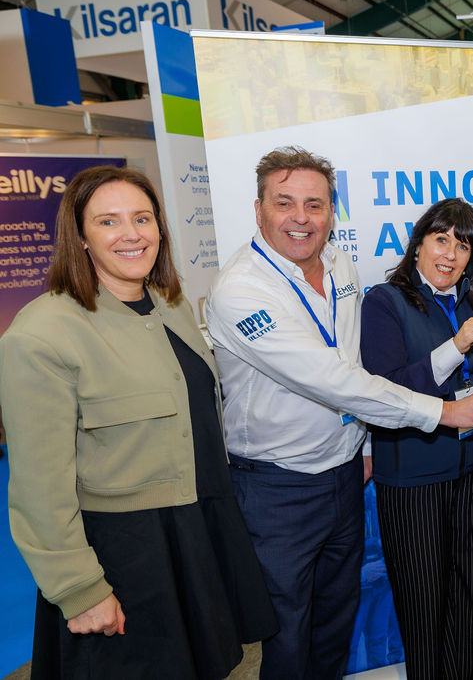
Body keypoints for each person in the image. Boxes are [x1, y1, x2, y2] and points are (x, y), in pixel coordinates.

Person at [204, 146, 473, 680]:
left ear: (331, 212)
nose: (302, 218)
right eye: (285, 203)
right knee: (288, 631)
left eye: (315, 205)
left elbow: (353, 363)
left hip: (345, 472)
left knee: (334, 625)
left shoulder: (339, 264)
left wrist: (363, 444)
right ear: (259, 210)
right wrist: (443, 412)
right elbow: (334, 379)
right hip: (280, 485)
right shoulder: (240, 291)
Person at [0, 166, 277, 679]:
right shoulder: (41, 334)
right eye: (108, 221)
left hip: (196, 531)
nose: (131, 234)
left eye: (142, 218)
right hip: (125, 556)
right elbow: (39, 487)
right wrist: (80, 589)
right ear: (80, 237)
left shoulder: (170, 304)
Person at [360, 198, 473, 679]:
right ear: (418, 244)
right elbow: (388, 391)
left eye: (463, 246)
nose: (451, 254)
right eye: (441, 240)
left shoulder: (470, 302)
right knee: (425, 608)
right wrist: (457, 344)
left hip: (471, 472)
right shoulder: (385, 302)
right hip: (414, 481)